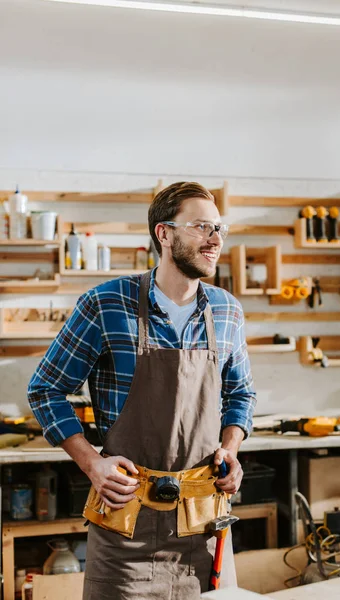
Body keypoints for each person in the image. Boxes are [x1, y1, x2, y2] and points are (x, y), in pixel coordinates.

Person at [28, 181, 256, 599]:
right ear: (164, 234)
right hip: (126, 524)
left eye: (219, 229)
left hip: (203, 523)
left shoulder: (227, 311)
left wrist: (231, 448)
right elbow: (46, 389)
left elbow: (241, 394)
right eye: (201, 227)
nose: (215, 239)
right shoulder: (105, 304)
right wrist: (92, 464)